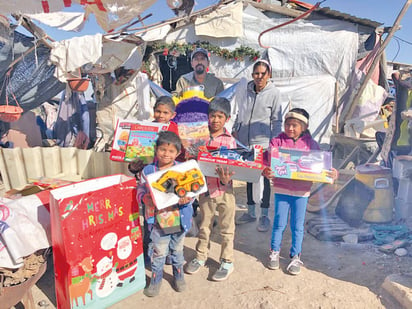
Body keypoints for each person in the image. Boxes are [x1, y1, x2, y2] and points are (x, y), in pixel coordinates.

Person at [262, 108, 338, 275]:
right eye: (287, 124)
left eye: (294, 125)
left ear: (304, 127)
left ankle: (295, 256)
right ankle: (274, 252)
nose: (290, 128)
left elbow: (323, 166)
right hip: (282, 189)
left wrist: (332, 173)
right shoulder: (277, 142)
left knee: (298, 225)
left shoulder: (311, 145)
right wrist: (266, 171)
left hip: (302, 192)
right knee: (279, 223)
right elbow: (266, 162)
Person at [185, 97, 237, 281]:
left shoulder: (230, 142)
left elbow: (234, 168)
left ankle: (227, 261)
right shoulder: (200, 137)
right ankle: (200, 256)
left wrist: (226, 179)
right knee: (204, 227)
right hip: (205, 191)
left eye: (219, 116)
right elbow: (191, 159)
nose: (215, 120)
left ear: (227, 119)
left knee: (226, 228)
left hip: (225, 192)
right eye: (212, 116)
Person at [136, 131, 193, 297]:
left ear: (178, 153)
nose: (166, 154)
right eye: (162, 150)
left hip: (179, 220)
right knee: (159, 252)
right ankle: (156, 279)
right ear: (156, 150)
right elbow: (140, 188)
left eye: (171, 151)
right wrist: (144, 198)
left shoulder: (181, 170)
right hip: (158, 221)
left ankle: (178, 275)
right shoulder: (148, 170)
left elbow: (192, 192)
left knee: (177, 250)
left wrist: (186, 199)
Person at [233, 59, 282, 232]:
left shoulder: (274, 93)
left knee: (264, 178)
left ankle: (264, 216)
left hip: (263, 143)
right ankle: (251, 212)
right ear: (252, 75)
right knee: (248, 176)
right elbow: (240, 112)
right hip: (245, 142)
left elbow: (276, 120)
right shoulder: (246, 91)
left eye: (263, 74)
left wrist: (274, 144)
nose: (259, 77)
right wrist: (235, 129)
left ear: (268, 75)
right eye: (256, 73)